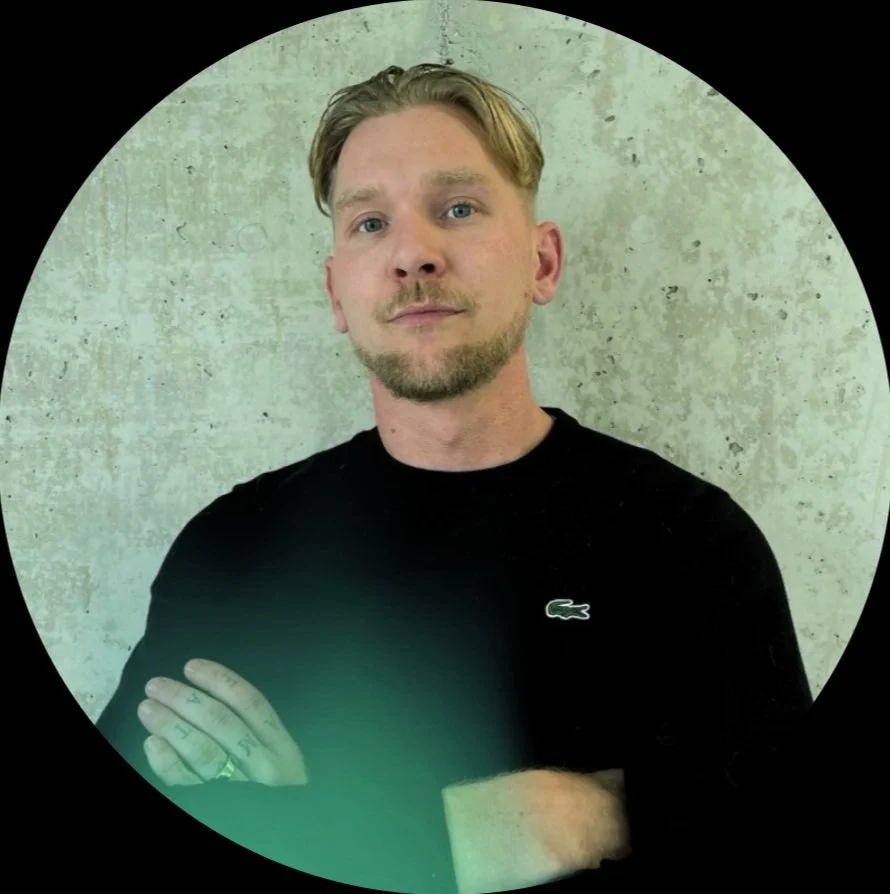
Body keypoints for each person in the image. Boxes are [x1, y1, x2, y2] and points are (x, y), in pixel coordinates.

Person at [95, 63, 813, 893]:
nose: (413, 255)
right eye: (369, 223)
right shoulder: (235, 547)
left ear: (542, 264)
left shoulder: (687, 543)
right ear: (337, 292)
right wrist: (543, 819)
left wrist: (302, 817)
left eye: (459, 209)